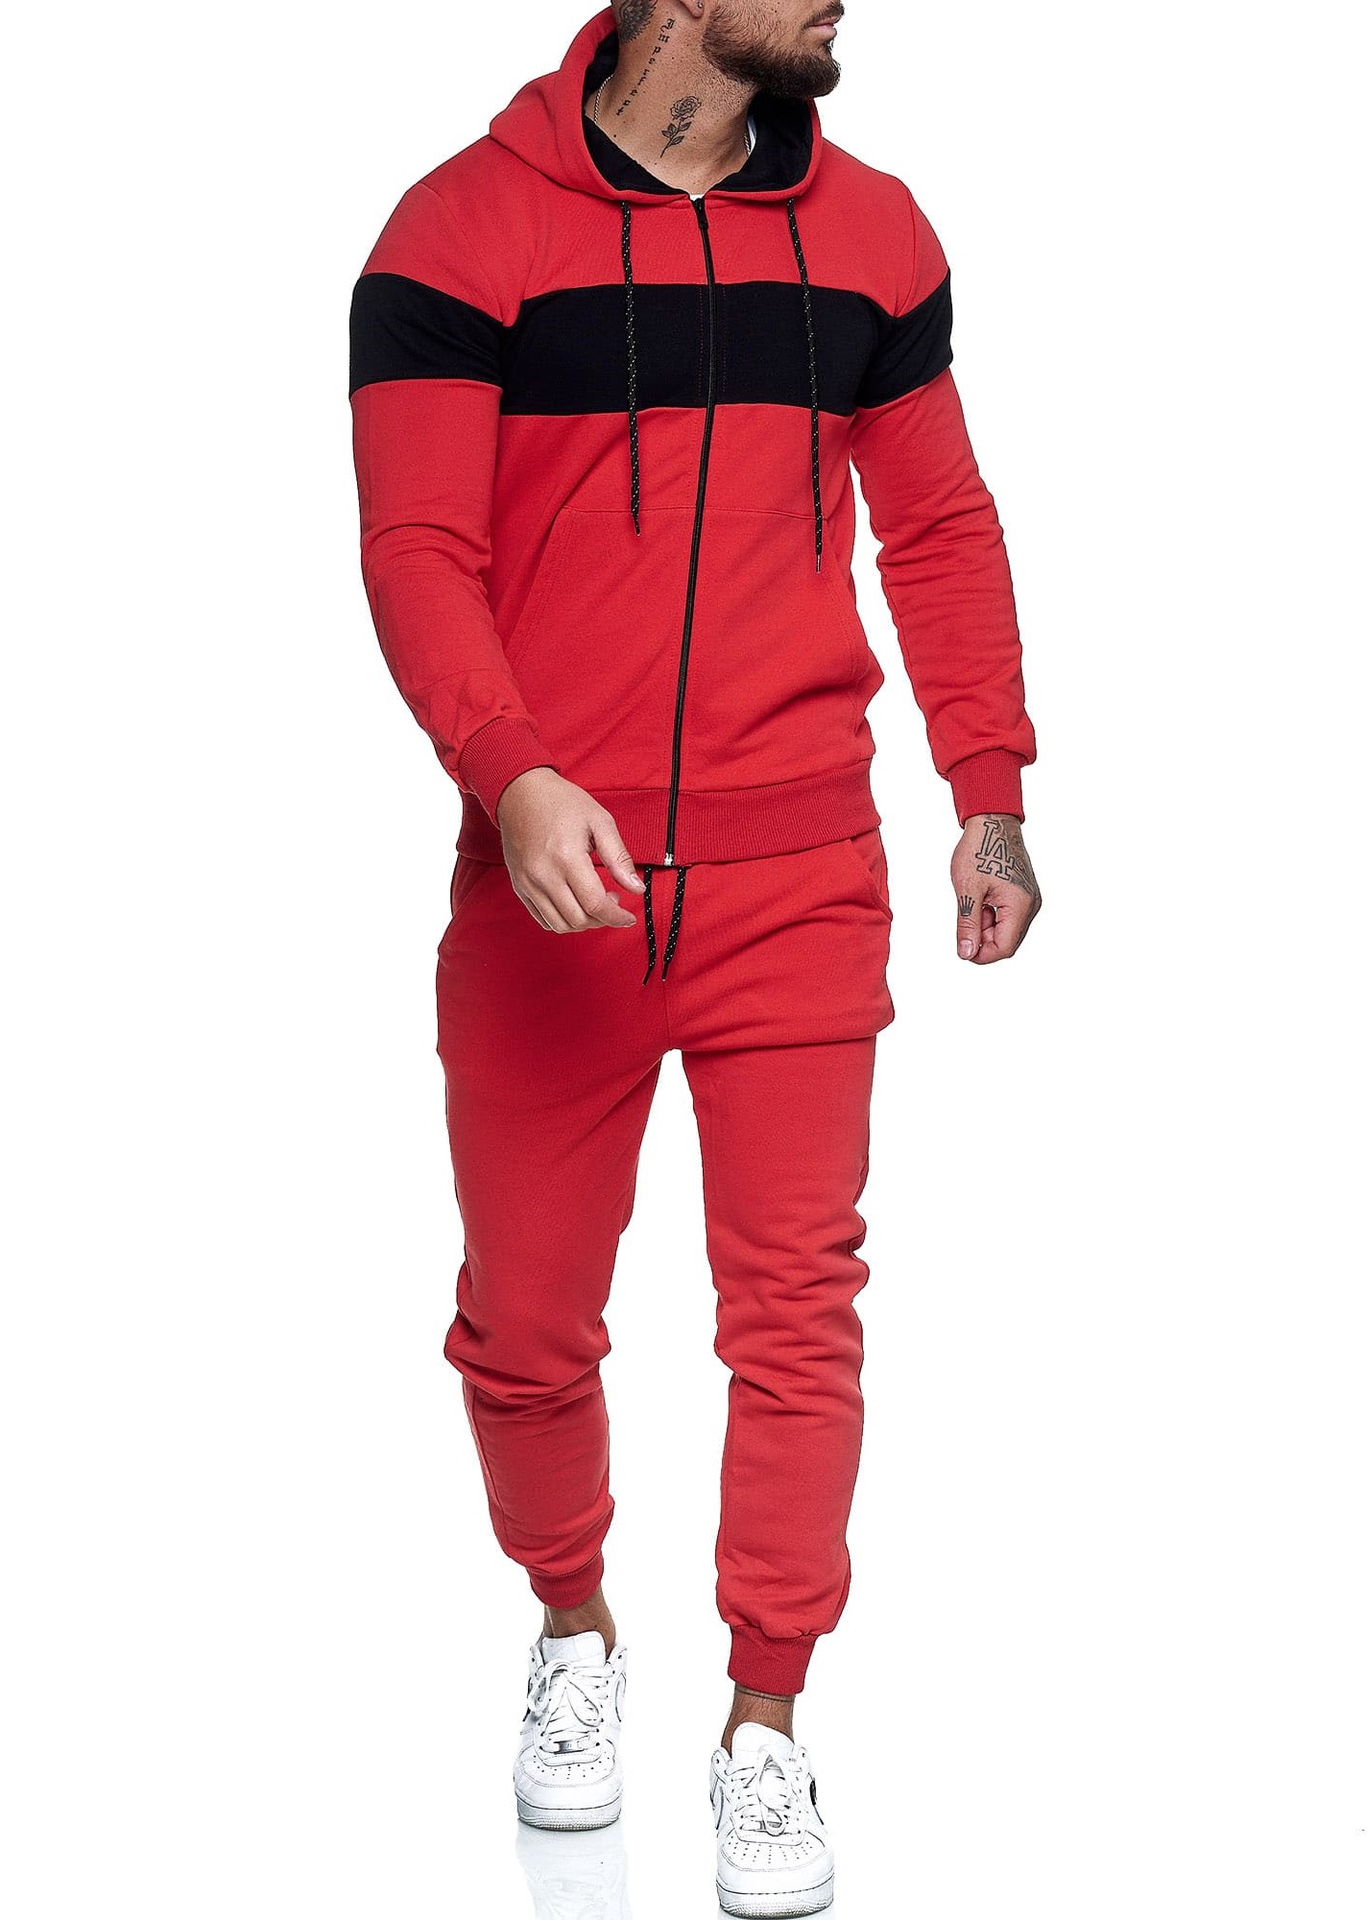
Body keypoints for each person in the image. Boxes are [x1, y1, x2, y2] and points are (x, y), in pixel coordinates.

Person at [347, 3, 1041, 1910]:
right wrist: (510, 773)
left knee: (797, 1312)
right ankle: (574, 1625)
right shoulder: (457, 232)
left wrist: (987, 788)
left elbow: (939, 525)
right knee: (523, 1323)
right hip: (549, 887)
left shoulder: (877, 234)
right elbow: (415, 549)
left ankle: (767, 1723)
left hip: (800, 871)